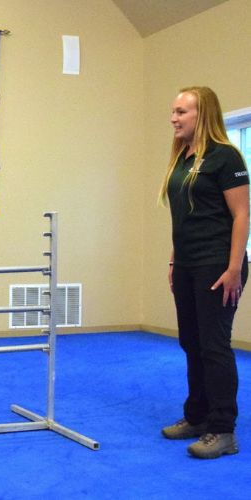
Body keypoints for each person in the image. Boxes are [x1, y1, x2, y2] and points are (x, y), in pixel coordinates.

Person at [158, 86, 250, 459]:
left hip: (218, 263)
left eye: (181, 111)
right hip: (187, 264)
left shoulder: (225, 157)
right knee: (190, 343)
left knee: (214, 346)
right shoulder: (182, 158)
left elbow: (242, 215)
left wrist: (234, 268)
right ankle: (196, 416)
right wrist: (173, 260)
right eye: (174, 111)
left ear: (202, 114)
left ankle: (222, 429)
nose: (174, 118)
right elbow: (183, 218)